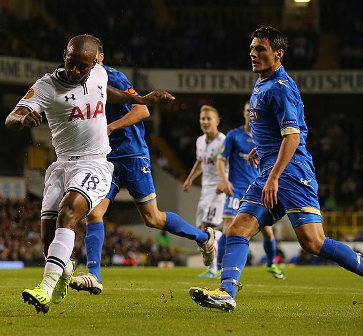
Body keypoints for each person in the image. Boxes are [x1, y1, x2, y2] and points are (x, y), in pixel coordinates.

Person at [189, 26, 363, 313]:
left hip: (291, 173)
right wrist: (260, 148)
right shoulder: (263, 83)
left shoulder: (280, 88)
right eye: (251, 48)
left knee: (313, 243)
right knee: (238, 228)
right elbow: (277, 131)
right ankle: (227, 293)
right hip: (269, 170)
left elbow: (293, 136)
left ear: (278, 54)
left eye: (260, 49)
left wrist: (274, 175)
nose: (253, 53)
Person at [5, 34, 175, 314]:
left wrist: (141, 99)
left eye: (82, 67)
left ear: (94, 62)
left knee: (68, 212)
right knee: (48, 242)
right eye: (71, 64)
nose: (75, 71)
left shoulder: (97, 73)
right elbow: (11, 117)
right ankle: (65, 274)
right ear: (65, 55)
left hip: (95, 163)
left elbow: (107, 91)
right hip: (61, 166)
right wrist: (22, 119)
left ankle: (45, 288)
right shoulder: (46, 86)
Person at [69, 38, 216, 295]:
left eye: (92, 58)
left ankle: (205, 238)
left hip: (133, 155)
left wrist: (112, 127)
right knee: (94, 213)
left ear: (100, 58)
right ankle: (94, 275)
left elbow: (143, 111)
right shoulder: (83, 85)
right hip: (106, 159)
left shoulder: (114, 78)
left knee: (153, 219)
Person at [215, 101, 285, 280]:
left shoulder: (262, 136)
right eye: (247, 111)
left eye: (252, 111)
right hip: (236, 189)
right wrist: (225, 181)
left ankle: (271, 264)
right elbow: (221, 159)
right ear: (244, 113)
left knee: (267, 231)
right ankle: (219, 267)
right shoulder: (234, 136)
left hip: (257, 189)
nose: (250, 114)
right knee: (228, 226)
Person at [183, 105, 225, 278]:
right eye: (203, 119)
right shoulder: (200, 141)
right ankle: (228, 240)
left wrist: (225, 182)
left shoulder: (224, 141)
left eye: (209, 118)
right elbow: (200, 162)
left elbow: (232, 164)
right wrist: (190, 179)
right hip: (206, 189)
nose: (205, 122)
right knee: (201, 230)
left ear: (217, 121)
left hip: (219, 189)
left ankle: (213, 269)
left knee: (207, 229)